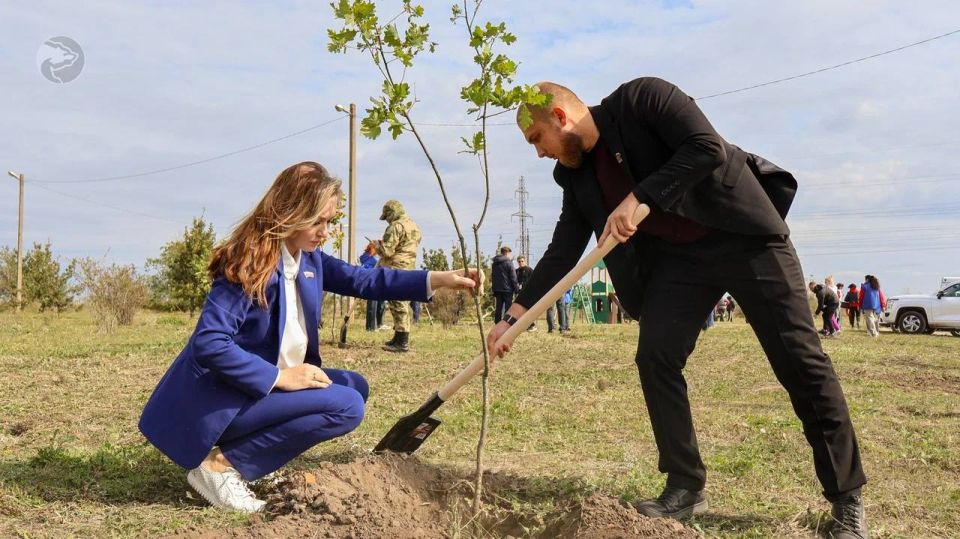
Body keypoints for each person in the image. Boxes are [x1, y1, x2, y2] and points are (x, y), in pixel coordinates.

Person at [486, 79, 867, 538]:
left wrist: (640, 196)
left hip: (743, 239)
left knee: (801, 362)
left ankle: (846, 502)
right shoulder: (576, 173)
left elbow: (706, 147)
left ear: (561, 117)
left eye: (536, 139)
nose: (539, 153)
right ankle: (685, 486)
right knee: (656, 356)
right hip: (680, 263)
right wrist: (514, 316)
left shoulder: (643, 100)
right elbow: (564, 248)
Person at [138, 162, 479, 512]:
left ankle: (247, 460)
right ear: (290, 212)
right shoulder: (247, 265)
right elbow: (209, 343)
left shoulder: (307, 258)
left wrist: (439, 278)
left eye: (330, 221)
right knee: (347, 406)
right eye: (318, 221)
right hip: (223, 400)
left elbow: (365, 281)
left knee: (354, 385)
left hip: (257, 393)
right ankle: (220, 466)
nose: (326, 231)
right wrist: (280, 377)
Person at [375, 200, 423, 353]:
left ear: (392, 212)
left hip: (395, 268)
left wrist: (377, 246)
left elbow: (387, 251)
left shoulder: (395, 226)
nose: (387, 220)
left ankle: (402, 343)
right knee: (401, 302)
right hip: (409, 268)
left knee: (398, 303)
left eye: (387, 216)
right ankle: (398, 337)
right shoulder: (414, 225)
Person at [491, 246, 519, 323]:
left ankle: (497, 323)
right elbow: (513, 277)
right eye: (510, 253)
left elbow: (493, 276)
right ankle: (506, 323)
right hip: (507, 289)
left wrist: (494, 289)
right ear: (507, 253)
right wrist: (516, 289)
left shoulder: (494, 263)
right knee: (508, 307)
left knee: (498, 308)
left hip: (497, 289)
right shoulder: (509, 263)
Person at [359, 241, 382, 332]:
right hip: (371, 282)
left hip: (371, 281)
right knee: (372, 305)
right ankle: (371, 327)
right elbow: (367, 268)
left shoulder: (366, 257)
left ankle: (372, 326)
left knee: (373, 305)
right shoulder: (371, 259)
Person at [516, 256, 538, 331]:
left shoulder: (529, 270)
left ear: (525, 261)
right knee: (520, 310)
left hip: (529, 293)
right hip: (520, 293)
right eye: (519, 261)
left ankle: (532, 325)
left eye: (522, 261)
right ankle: (524, 325)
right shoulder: (517, 271)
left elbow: (535, 280)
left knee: (528, 309)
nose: (521, 263)